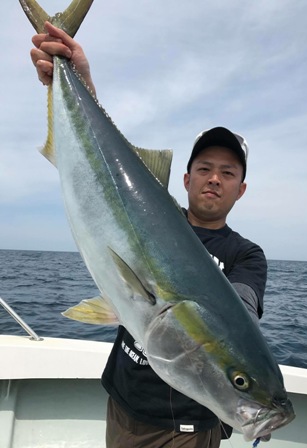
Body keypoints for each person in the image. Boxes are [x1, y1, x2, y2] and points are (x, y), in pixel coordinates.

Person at [31, 22, 267, 448]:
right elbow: (104, 165)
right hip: (122, 407)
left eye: (228, 172)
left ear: (241, 188)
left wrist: (240, 376)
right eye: (204, 169)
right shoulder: (146, 210)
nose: (214, 179)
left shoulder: (246, 256)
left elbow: (240, 315)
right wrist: (78, 80)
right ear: (186, 178)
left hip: (190, 433)